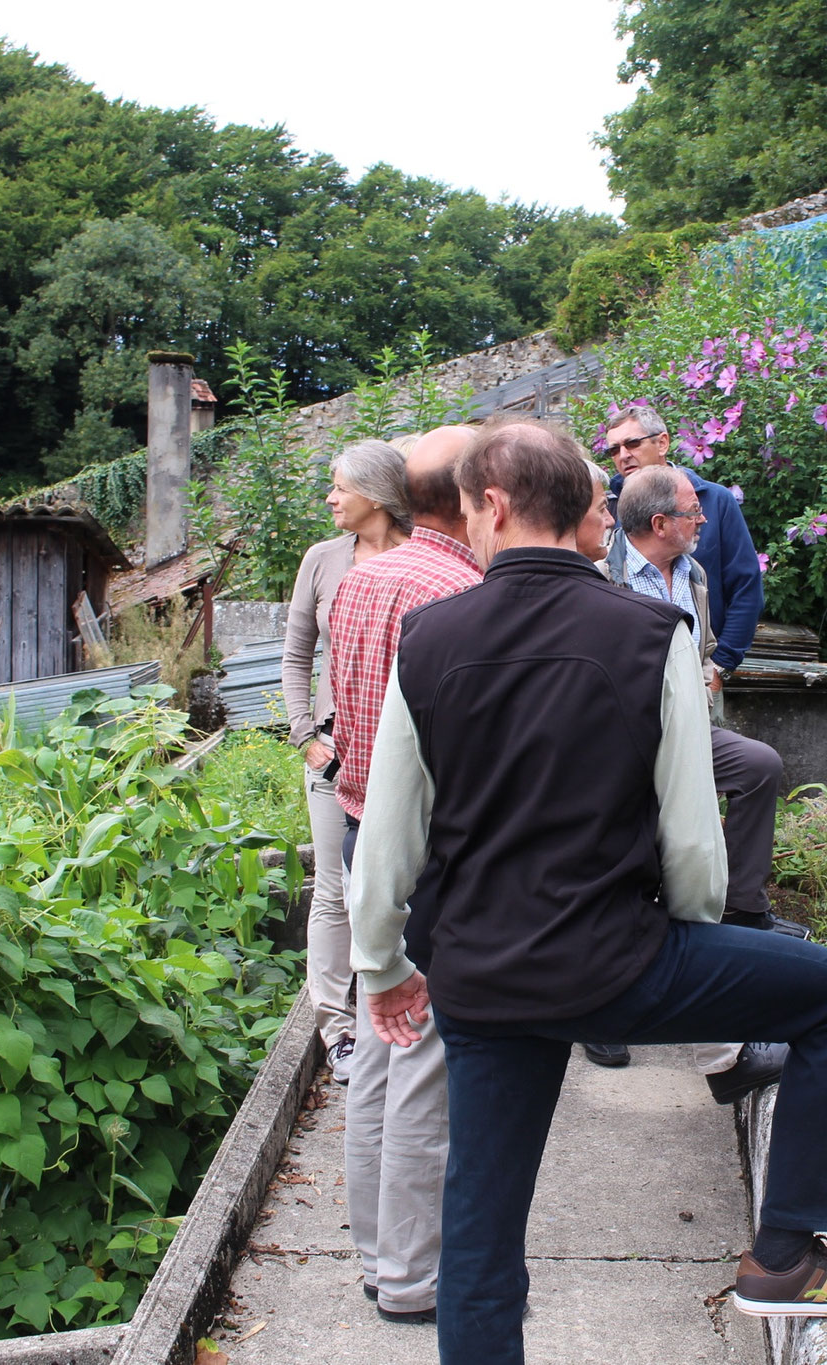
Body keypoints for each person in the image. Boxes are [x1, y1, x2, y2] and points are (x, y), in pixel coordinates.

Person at [348, 421, 827, 1365]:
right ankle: (784, 1255)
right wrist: (693, 944)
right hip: (618, 964)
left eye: (469, 509)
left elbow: (393, 829)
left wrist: (381, 963)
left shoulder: (429, 636)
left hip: (481, 978)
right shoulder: (651, 633)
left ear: (494, 506)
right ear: (578, 510)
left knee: (479, 1227)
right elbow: (692, 837)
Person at [328, 424, 483, 1326]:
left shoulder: (364, 576)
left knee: (379, 1043)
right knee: (423, 1053)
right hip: (421, 843)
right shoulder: (455, 590)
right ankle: (412, 1277)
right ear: (466, 497)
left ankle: (373, 1254)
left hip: (360, 830)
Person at [589, 464, 788, 1104]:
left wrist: (709, 674)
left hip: (689, 728)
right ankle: (600, 1013)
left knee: (758, 766)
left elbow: (700, 649)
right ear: (659, 523)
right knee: (631, 829)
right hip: (622, 738)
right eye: (691, 512)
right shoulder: (602, 574)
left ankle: (742, 910)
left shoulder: (694, 574)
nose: (703, 519)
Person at [280, 440, 413, 1086]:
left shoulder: (421, 556)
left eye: (340, 487)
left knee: (401, 882)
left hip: (407, 749)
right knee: (334, 889)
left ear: (378, 494)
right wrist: (304, 734)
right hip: (335, 750)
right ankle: (337, 1029)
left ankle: (403, 1012)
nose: (331, 498)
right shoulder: (323, 560)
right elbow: (295, 655)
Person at [602, 405, 763, 681]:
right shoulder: (607, 512)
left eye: (632, 443)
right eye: (614, 450)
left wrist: (720, 667)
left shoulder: (715, 501)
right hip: (630, 681)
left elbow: (746, 588)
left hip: (700, 676)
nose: (623, 455)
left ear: (662, 443)